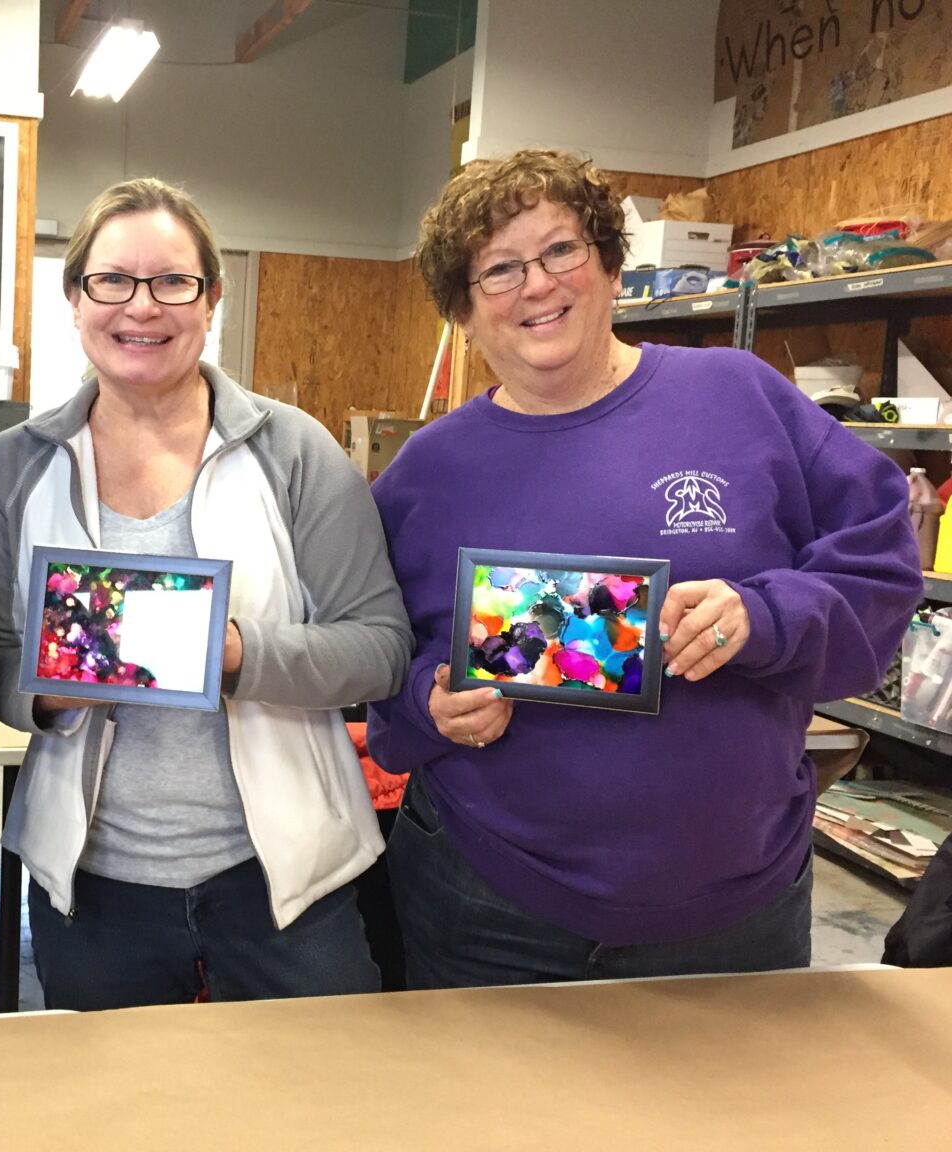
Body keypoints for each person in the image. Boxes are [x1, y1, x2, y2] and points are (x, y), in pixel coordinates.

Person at [367, 147, 923, 989]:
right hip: (489, 903)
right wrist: (428, 700)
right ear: (463, 310)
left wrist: (764, 617)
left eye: (561, 250)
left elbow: (879, 567)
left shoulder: (739, 397)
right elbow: (375, 652)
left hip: (735, 908)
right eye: (500, 269)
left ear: (608, 265)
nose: (538, 285)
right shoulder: (424, 474)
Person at [0, 177, 412, 1010]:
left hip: (284, 881)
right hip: (92, 885)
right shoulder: (15, 465)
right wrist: (47, 693)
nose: (142, 306)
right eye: (113, 280)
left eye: (173, 281)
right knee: (112, 1091)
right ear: (75, 298)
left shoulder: (295, 452)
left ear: (211, 300)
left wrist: (235, 653)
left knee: (315, 1085)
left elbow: (381, 647)